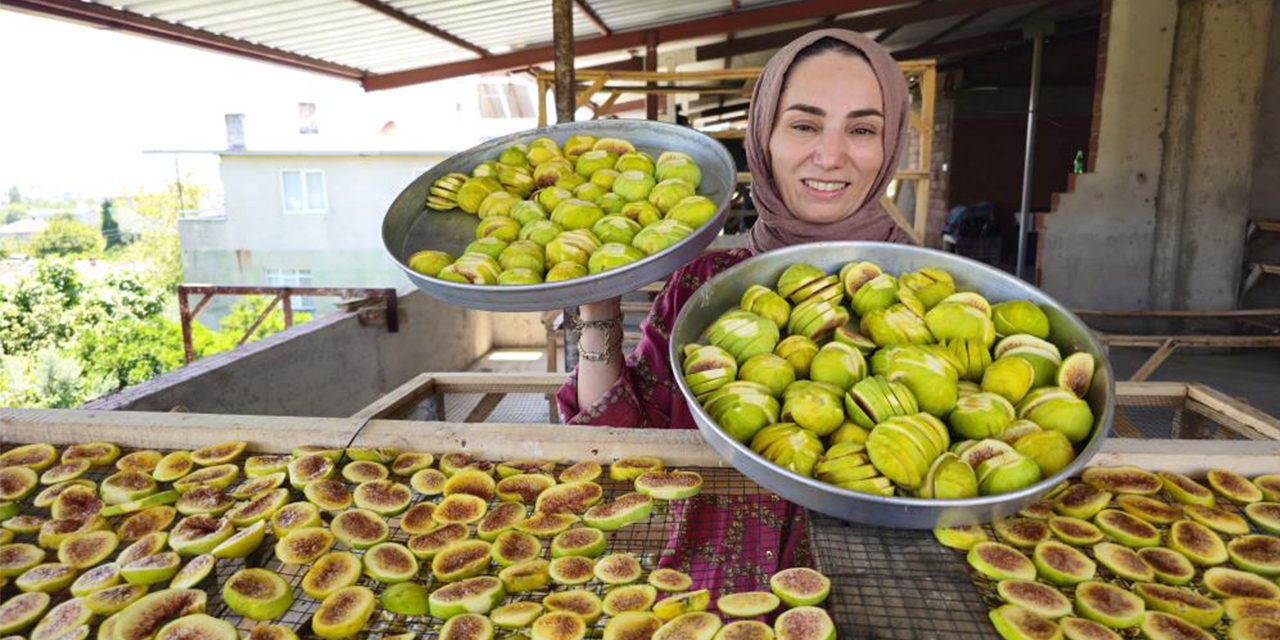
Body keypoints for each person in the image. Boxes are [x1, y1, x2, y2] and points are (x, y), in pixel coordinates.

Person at [553, 29, 914, 594]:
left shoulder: (936, 295)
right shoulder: (704, 283)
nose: (830, 154)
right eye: (803, 124)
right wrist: (599, 303)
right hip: (709, 596)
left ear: (891, 145)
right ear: (763, 136)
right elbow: (619, 445)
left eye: (862, 129)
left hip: (883, 602)